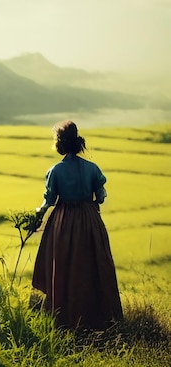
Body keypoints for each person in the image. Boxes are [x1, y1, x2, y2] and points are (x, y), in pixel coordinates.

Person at [31, 120, 123, 330]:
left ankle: (63, 320)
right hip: (90, 221)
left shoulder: (55, 171)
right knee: (93, 266)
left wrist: (37, 216)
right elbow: (100, 197)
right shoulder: (92, 169)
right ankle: (98, 320)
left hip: (63, 223)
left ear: (60, 143)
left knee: (64, 267)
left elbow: (48, 201)